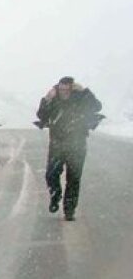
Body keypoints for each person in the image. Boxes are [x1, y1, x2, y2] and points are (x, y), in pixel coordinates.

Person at [36, 76, 103, 221]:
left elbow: (97, 106)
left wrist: (85, 91)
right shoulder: (53, 99)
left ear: (72, 89)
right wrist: (47, 98)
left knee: (73, 179)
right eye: (61, 90)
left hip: (77, 145)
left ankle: (69, 210)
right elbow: (41, 114)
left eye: (67, 90)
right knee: (51, 174)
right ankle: (55, 195)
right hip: (57, 144)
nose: (64, 93)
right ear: (58, 88)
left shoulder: (80, 97)